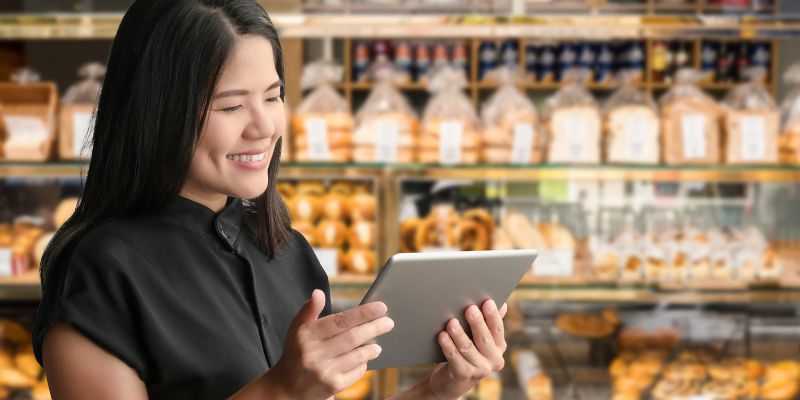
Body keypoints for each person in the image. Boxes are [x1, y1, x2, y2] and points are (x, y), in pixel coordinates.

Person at [32, 1, 509, 399]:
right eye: (231, 105)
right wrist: (281, 390)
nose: (263, 127)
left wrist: (438, 389)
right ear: (157, 112)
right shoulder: (99, 272)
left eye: (273, 96)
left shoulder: (287, 251)